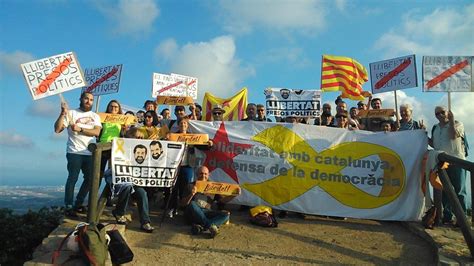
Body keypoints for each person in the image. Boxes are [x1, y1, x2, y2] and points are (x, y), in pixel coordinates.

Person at [54, 92, 102, 216]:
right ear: (80, 99)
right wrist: (63, 113)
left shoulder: (95, 116)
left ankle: (78, 203)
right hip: (74, 151)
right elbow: (57, 129)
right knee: (72, 178)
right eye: (86, 98)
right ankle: (69, 206)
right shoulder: (71, 113)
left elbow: (97, 132)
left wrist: (80, 129)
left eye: (91, 100)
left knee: (90, 179)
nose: (89, 101)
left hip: (90, 153)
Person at [428, 106, 467, 226]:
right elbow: (434, 144)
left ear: (448, 112)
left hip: (456, 161)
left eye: (442, 112)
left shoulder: (457, 124)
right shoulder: (435, 127)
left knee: (459, 190)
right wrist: (422, 134)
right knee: (445, 190)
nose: (439, 115)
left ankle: (462, 218)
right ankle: (448, 216)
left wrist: (451, 120)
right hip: (442, 163)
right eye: (437, 113)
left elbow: (453, 136)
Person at [181, 166, 240, 238]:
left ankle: (202, 227)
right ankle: (210, 226)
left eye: (205, 174)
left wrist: (234, 195)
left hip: (207, 212)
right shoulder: (190, 186)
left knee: (226, 215)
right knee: (192, 204)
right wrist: (191, 194)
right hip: (193, 214)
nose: (203, 176)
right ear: (197, 174)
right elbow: (183, 204)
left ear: (208, 175)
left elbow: (222, 201)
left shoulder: (213, 187)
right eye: (201, 173)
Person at [99, 100, 125, 176]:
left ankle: (110, 188)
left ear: (119, 108)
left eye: (116, 106)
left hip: (116, 147)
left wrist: (125, 128)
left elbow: (124, 134)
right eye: (111, 106)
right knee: (99, 172)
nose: (113, 108)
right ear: (108, 107)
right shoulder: (102, 118)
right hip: (103, 145)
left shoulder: (122, 120)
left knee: (113, 172)